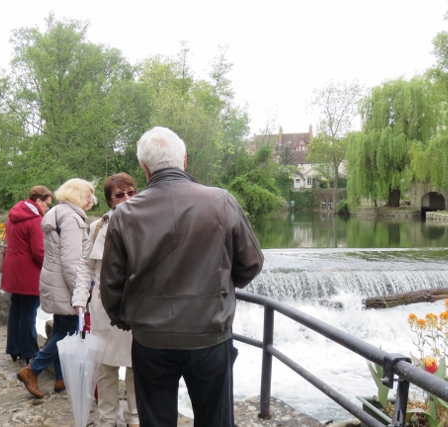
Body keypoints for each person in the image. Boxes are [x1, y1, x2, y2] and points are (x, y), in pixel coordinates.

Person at [100, 126, 265, 427]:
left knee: (156, 421)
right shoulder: (222, 201)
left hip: (150, 339)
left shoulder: (124, 214)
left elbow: (111, 284)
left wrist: (127, 320)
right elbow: (251, 263)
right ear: (184, 160)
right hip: (209, 333)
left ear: (145, 168)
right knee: (215, 421)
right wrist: (221, 289)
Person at [17, 178, 95, 398]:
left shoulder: (59, 213)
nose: (91, 200)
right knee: (68, 331)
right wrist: (80, 293)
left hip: (55, 281)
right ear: (76, 195)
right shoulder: (71, 218)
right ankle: (32, 370)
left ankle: (61, 378)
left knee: (61, 327)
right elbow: (72, 261)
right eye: (88, 196)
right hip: (65, 284)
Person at [74, 173, 140, 427]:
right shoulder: (98, 227)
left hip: (137, 305)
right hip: (104, 306)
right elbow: (85, 265)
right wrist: (80, 297)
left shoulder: (148, 221)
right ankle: (107, 418)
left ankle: (134, 416)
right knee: (105, 366)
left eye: (131, 192)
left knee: (136, 364)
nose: (126, 198)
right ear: (110, 200)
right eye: (119, 195)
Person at [1, 185, 53, 364]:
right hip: (29, 272)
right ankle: (29, 351)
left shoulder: (13, 216)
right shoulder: (35, 220)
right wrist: (48, 269)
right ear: (38, 200)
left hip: (13, 269)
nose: (47, 208)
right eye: (47, 204)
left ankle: (14, 348)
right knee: (29, 312)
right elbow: (39, 251)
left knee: (16, 309)